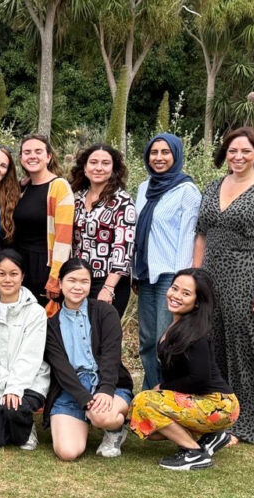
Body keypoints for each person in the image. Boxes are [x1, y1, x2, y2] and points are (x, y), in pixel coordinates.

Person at [193, 127, 254, 445]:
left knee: (248, 354)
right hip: (211, 280)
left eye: (245, 151)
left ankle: (245, 426)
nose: (238, 156)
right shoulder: (213, 186)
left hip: (248, 281)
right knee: (214, 349)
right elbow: (201, 235)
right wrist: (195, 279)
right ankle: (218, 418)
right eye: (232, 151)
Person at [128, 269, 240, 470]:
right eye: (174, 288)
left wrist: (163, 387)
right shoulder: (177, 327)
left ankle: (194, 453)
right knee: (145, 422)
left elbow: (200, 378)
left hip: (219, 404)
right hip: (203, 401)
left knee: (144, 402)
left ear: (197, 302)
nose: (176, 295)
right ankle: (213, 436)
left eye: (186, 293)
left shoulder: (196, 334)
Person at [43, 259, 133, 461]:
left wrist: (106, 390)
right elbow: (61, 369)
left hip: (109, 383)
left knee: (101, 417)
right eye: (72, 280)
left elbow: (111, 356)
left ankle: (115, 429)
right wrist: (84, 398)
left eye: (84, 281)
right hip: (71, 388)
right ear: (60, 283)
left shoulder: (105, 312)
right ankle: (87, 416)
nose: (78, 287)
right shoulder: (51, 325)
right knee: (67, 452)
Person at [134, 133, 202, 390]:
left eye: (165, 152)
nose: (159, 157)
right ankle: (150, 393)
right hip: (145, 276)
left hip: (170, 276)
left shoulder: (187, 191)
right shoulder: (144, 188)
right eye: (154, 152)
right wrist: (134, 272)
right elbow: (139, 233)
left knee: (166, 340)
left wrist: (182, 281)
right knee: (147, 341)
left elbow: (188, 237)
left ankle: (167, 395)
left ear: (176, 155)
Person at [0, 249, 50, 450]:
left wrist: (14, 388)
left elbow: (30, 356)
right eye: (1, 274)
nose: (7, 279)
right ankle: (8, 417)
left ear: (22, 276)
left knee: (14, 409)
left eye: (13, 274)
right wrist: (6, 384)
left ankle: (26, 428)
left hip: (31, 380)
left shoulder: (35, 312)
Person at [69, 143, 136, 316]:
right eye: (93, 162)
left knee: (103, 331)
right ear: (85, 168)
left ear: (113, 169)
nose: (99, 168)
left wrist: (108, 287)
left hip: (108, 281)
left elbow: (124, 249)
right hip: (79, 280)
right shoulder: (76, 198)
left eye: (105, 163)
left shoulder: (122, 201)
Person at [11, 134, 73, 304]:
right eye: (27, 152)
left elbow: (63, 237)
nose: (32, 156)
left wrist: (55, 276)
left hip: (43, 266)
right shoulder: (23, 187)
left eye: (38, 151)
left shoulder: (59, 186)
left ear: (48, 157)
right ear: (21, 158)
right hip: (19, 263)